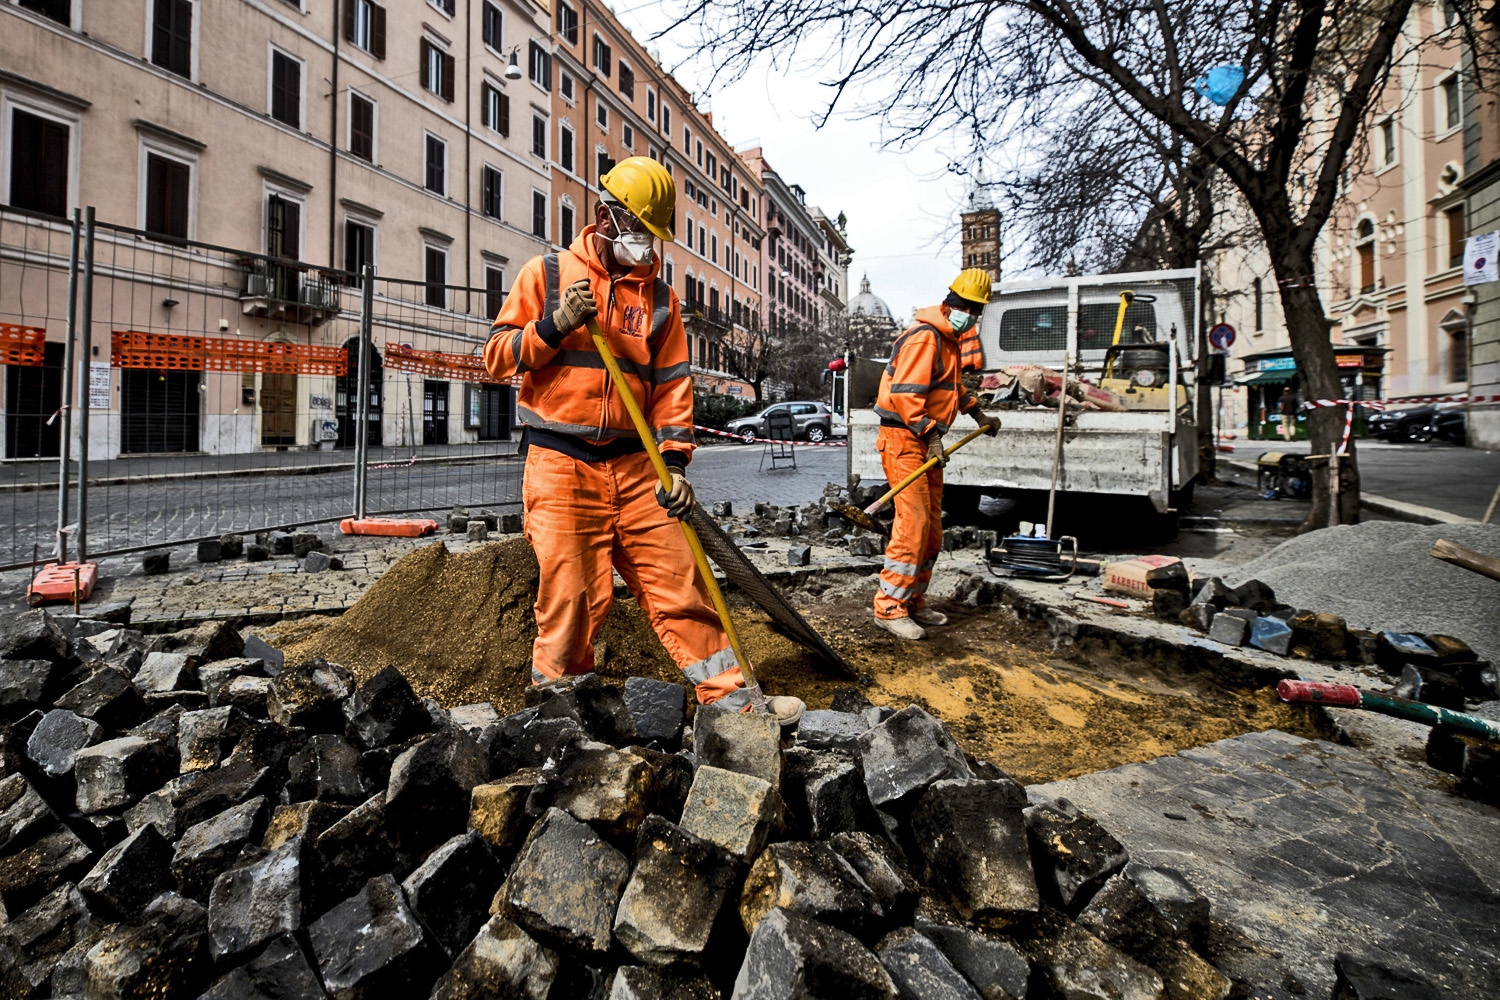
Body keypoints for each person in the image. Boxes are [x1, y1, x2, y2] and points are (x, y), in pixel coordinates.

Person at [484, 155, 803, 724]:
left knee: (685, 589)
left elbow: (673, 388)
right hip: (561, 463)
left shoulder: (659, 300)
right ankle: (557, 722)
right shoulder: (549, 276)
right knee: (572, 601)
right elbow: (496, 358)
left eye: (651, 237)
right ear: (607, 218)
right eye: (637, 232)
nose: (645, 247)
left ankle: (738, 706)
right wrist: (554, 325)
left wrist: (675, 465)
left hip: (638, 468)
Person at [871, 268, 1002, 640]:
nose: (973, 316)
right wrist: (930, 437)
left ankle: (912, 600)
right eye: (971, 308)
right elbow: (905, 397)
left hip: (923, 441)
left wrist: (979, 413)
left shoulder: (949, 340)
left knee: (930, 529)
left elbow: (953, 388)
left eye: (978, 311)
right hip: (904, 440)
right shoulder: (925, 338)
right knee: (911, 525)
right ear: (953, 304)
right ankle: (888, 607)